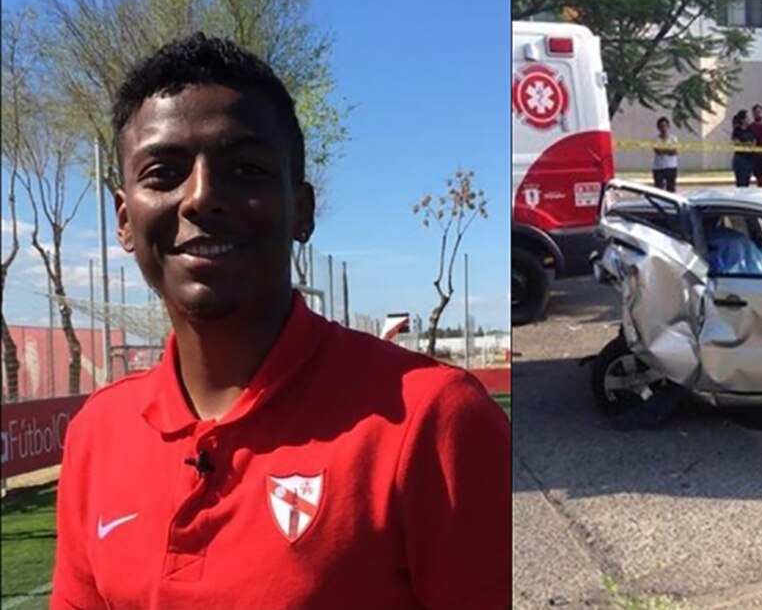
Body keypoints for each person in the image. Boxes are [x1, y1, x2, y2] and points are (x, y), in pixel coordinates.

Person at [50, 33, 511, 610]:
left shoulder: (433, 421)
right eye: (164, 173)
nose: (201, 198)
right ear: (125, 219)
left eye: (245, 169)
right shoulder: (98, 432)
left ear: (304, 211)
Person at [652, 116, 679, 192]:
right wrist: (668, 150)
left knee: (671, 189)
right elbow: (657, 151)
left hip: (671, 167)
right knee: (658, 190)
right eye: (661, 126)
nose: (663, 128)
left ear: (668, 127)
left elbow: (674, 152)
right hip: (658, 168)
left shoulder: (673, 138)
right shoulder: (656, 139)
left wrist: (663, 150)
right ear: (658, 128)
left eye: (664, 126)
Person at [731, 110, 757, 187]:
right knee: (741, 182)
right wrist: (746, 144)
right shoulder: (737, 130)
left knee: (747, 181)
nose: (749, 119)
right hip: (740, 159)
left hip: (750, 158)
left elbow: (754, 141)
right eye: (747, 117)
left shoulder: (750, 129)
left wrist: (752, 144)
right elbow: (736, 142)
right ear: (743, 120)